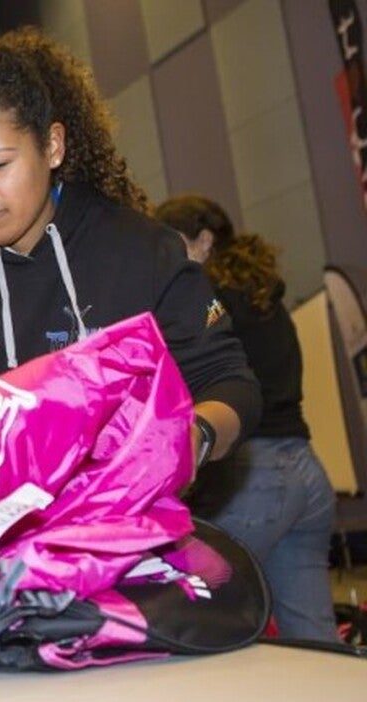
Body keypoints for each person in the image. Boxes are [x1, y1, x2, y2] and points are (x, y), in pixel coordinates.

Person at [0, 28, 261, 480]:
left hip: (116, 510)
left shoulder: (140, 249)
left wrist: (190, 439)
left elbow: (230, 384)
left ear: (52, 146)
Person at [155, 194, 339, 642]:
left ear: (203, 241)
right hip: (306, 470)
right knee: (314, 638)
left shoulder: (207, 300)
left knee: (191, 609)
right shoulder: (262, 297)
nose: (162, 259)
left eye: (171, 244)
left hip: (256, 476)